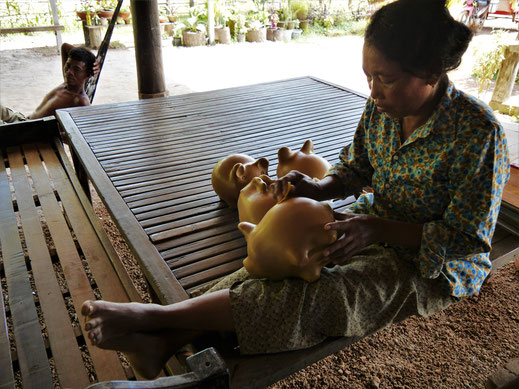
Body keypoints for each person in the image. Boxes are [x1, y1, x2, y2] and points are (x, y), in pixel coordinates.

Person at [81, 0, 510, 380]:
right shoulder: (383, 108)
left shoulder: (478, 134)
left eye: (386, 79)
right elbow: (357, 167)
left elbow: (469, 239)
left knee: (328, 292)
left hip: (433, 266)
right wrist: (319, 187)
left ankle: (155, 320)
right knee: (270, 260)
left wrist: (377, 230)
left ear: (433, 72)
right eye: (368, 76)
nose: (373, 91)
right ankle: (161, 344)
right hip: (368, 221)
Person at [0, 43, 97, 123]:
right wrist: (94, 62)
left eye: (76, 69)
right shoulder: (67, 84)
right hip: (22, 120)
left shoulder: (80, 100)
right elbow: (64, 47)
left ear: (88, 73)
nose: (69, 72)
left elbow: (80, 131)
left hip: (26, 132)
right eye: (68, 66)